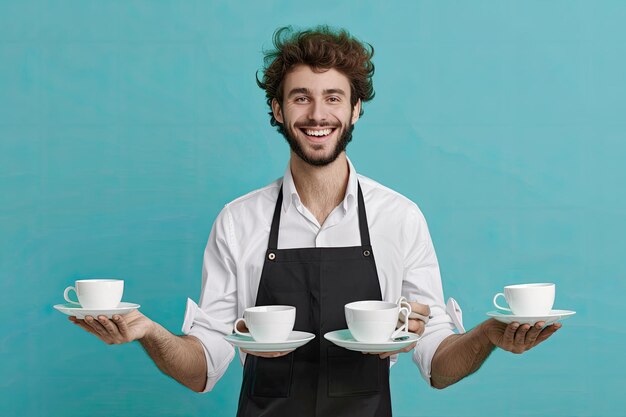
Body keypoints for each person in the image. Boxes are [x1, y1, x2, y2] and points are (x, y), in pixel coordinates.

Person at [69, 25, 562, 417]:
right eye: (301, 96)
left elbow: (436, 363)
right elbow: (204, 368)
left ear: (355, 110)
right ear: (278, 110)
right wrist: (149, 333)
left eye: (332, 97)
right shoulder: (239, 221)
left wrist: (490, 336)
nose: (317, 113)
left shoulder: (399, 218)